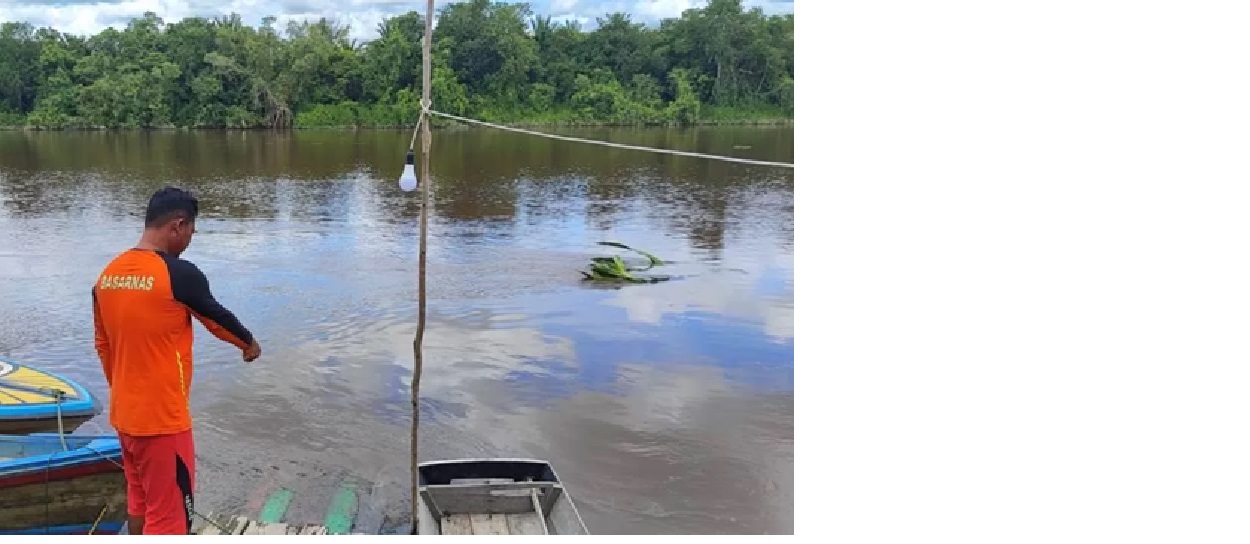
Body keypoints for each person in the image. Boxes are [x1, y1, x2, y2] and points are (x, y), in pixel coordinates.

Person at [92, 186, 261, 534]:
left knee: (140, 501)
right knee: (170, 518)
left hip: (125, 416)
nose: (189, 241)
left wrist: (127, 389)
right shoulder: (177, 274)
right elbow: (217, 318)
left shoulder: (107, 276)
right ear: (177, 226)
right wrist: (249, 345)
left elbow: (102, 345)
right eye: (190, 233)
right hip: (162, 423)